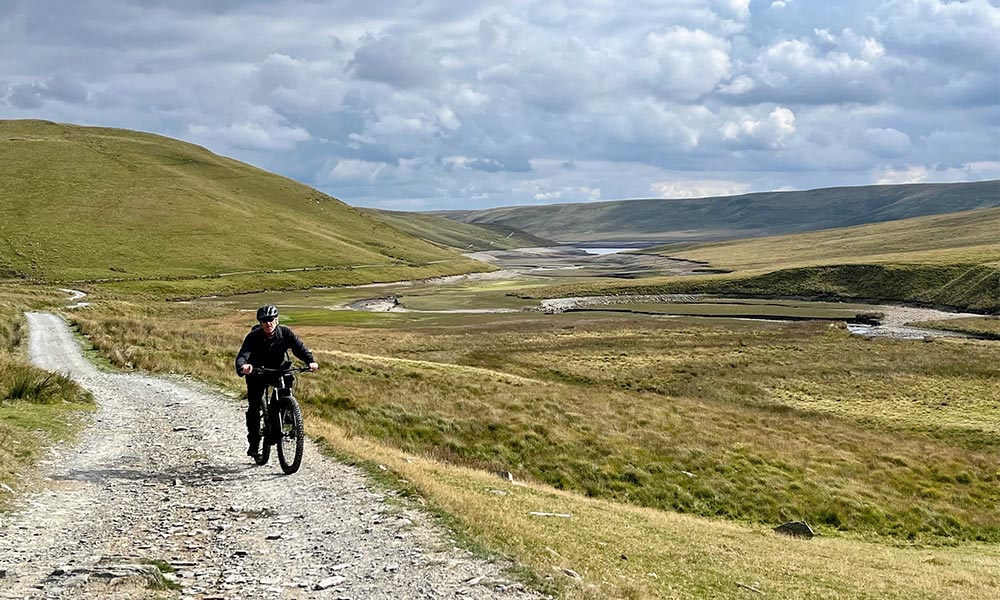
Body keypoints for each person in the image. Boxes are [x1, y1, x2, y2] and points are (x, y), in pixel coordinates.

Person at [235, 304, 318, 458]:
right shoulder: (253, 337)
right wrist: (243, 366)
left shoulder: (285, 333)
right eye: (264, 321)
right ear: (260, 323)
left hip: (278, 370)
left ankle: (285, 412)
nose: (268, 323)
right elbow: (243, 355)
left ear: (277, 320)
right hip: (257, 372)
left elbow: (299, 348)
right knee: (254, 407)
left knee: (287, 383)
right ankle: (254, 443)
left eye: (271, 320)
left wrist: (310, 361)